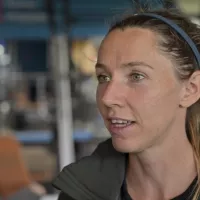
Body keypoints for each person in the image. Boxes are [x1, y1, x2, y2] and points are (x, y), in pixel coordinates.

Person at [53, 8, 200, 200]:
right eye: (103, 77)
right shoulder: (80, 193)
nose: (107, 97)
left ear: (191, 89)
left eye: (136, 76)